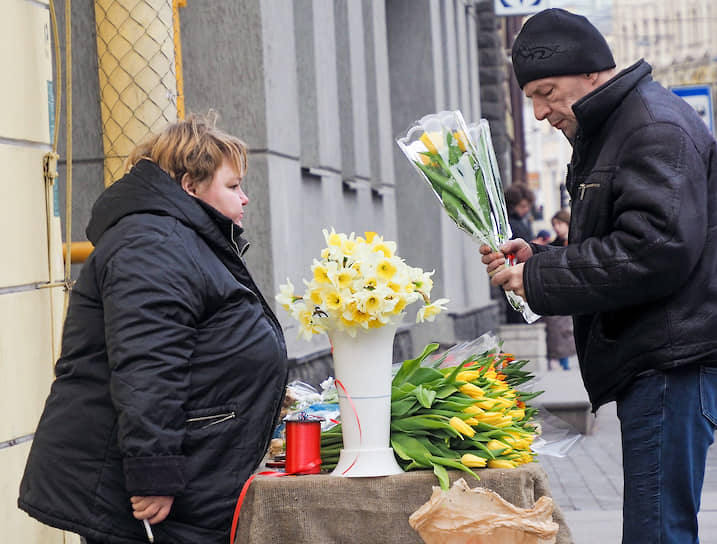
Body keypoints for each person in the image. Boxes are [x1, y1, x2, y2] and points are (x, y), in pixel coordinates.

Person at [481, 8, 717, 543]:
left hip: (669, 364)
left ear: (592, 72)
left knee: (657, 533)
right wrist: (538, 258)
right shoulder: (617, 125)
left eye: (547, 91)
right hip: (658, 361)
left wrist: (541, 279)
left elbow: (655, 249)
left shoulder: (650, 126)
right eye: (532, 99)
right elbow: (630, 239)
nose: (541, 112)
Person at [18, 114, 289, 544]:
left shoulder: (178, 238)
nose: (246, 198)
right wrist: (153, 474)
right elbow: (147, 364)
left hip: (189, 486)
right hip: (155, 503)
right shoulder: (154, 242)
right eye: (233, 186)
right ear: (190, 186)